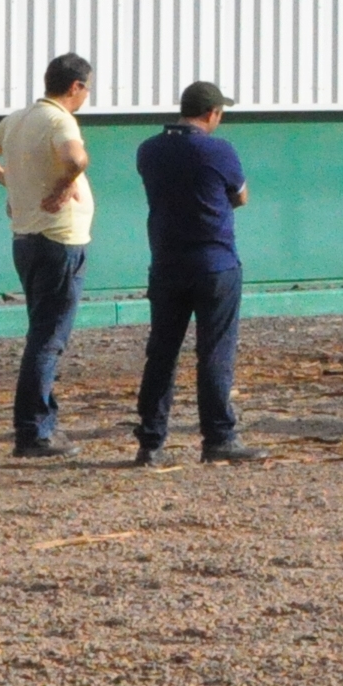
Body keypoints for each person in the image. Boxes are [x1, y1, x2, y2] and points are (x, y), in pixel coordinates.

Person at [0, 53, 98, 459]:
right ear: (75, 86)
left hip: (27, 239)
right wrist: (62, 187)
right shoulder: (60, 120)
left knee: (42, 333)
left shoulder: (19, 118)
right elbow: (77, 159)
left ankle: (38, 424)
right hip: (59, 240)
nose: (86, 95)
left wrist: (13, 185)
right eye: (86, 88)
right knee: (48, 339)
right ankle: (34, 430)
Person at [132, 82, 265, 465]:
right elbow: (240, 195)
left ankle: (151, 440)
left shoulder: (149, 150)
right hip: (214, 263)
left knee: (162, 352)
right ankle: (218, 436)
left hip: (167, 262)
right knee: (214, 353)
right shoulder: (218, 150)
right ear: (212, 114)